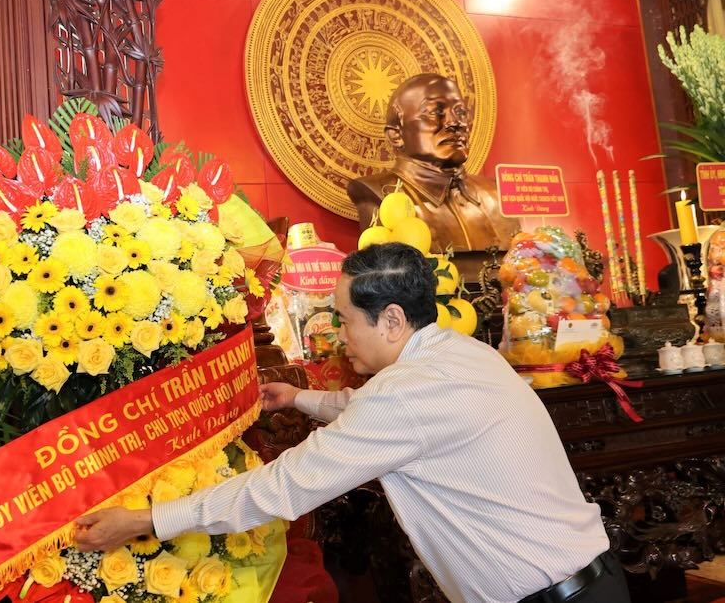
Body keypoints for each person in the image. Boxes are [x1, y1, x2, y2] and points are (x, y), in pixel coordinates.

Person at [74, 243, 628, 603]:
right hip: (591, 582)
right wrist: (299, 397)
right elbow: (378, 416)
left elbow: (284, 486)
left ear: (390, 319)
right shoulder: (457, 354)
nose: (339, 335)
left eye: (343, 319)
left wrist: (147, 518)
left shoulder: (407, 394)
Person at [346, 73, 520, 253]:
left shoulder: (495, 193)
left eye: (460, 112)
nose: (456, 122)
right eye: (435, 112)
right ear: (396, 136)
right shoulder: (377, 193)